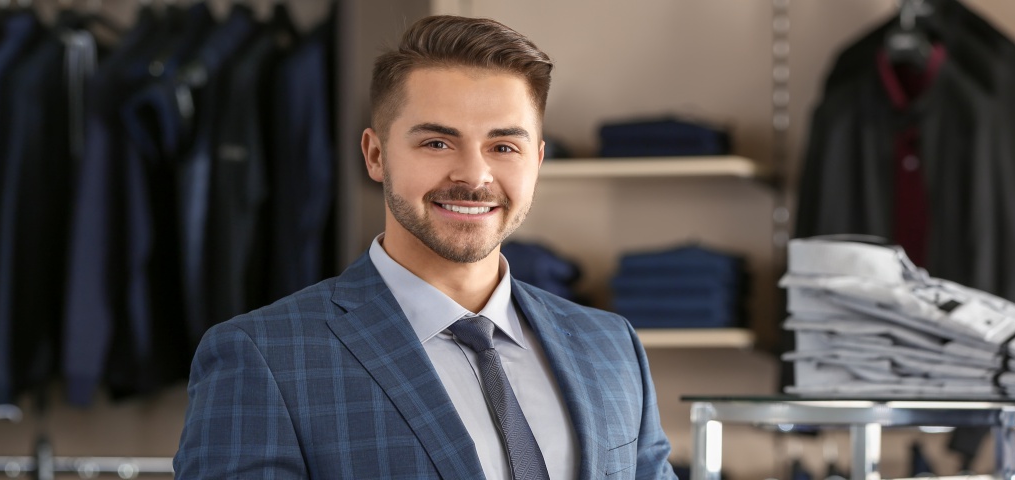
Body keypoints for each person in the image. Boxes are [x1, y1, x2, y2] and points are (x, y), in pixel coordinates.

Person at [174, 15, 677, 480]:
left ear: (537, 160)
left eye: (504, 147)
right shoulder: (263, 356)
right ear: (375, 154)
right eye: (437, 143)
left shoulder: (612, 346)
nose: (474, 176)